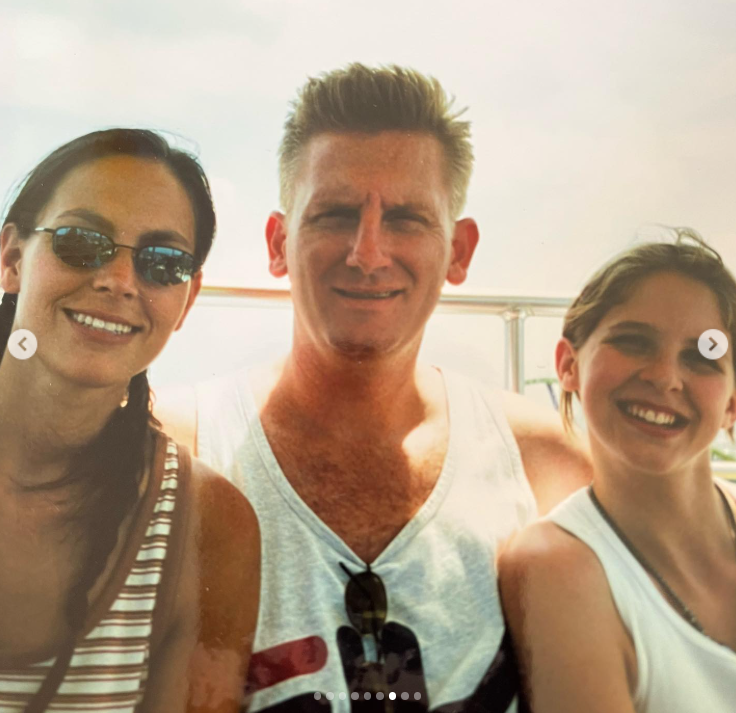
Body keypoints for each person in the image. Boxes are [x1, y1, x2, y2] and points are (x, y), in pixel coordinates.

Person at [157, 64, 591, 712]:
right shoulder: (179, 449)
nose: (367, 251)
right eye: (334, 213)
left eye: (408, 218)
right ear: (278, 243)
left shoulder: (542, 466)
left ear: (460, 251)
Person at [0, 129, 260, 713]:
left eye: (162, 263)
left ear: (187, 300)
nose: (118, 281)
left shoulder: (208, 527)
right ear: (13, 259)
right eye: (80, 241)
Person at [499, 230, 736, 712]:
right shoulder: (558, 565)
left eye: (702, 358)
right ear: (568, 365)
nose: (665, 377)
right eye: (633, 342)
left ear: (732, 401)